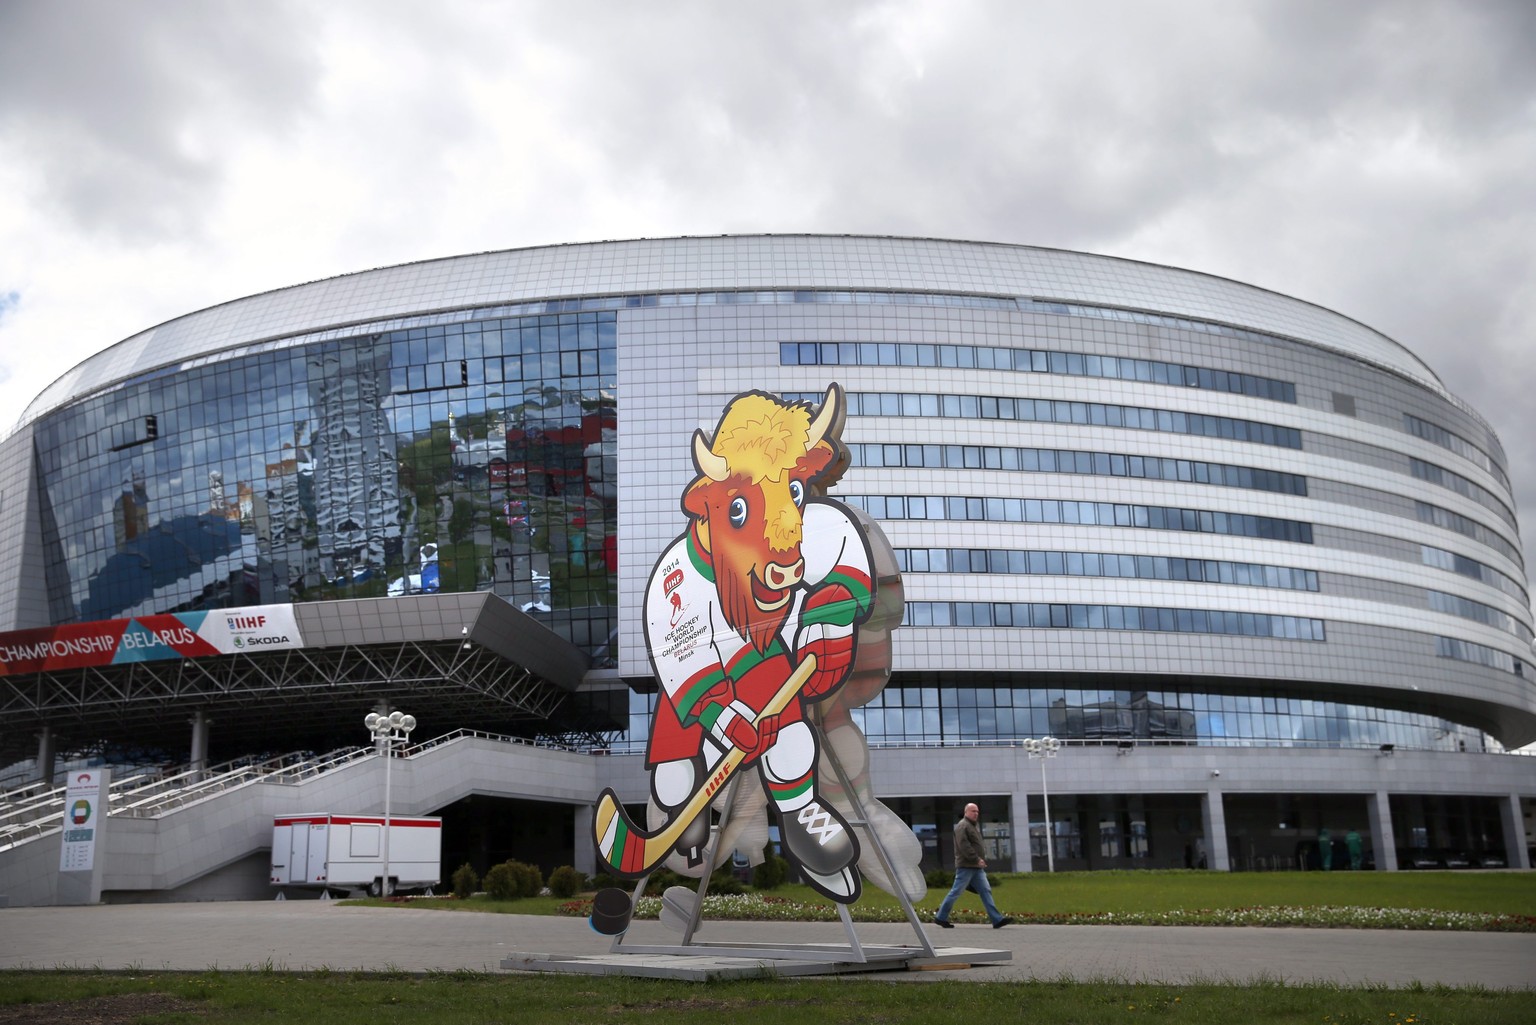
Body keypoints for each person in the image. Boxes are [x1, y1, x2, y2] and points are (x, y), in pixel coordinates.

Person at [933, 802, 1013, 929]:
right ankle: (940, 917)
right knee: (956, 892)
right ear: (966, 812)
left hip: (975, 867)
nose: (976, 814)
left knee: (986, 891)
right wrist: (976, 859)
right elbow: (964, 846)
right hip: (966, 866)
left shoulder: (971, 826)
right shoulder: (962, 826)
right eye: (973, 811)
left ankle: (997, 920)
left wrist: (978, 861)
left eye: (977, 811)